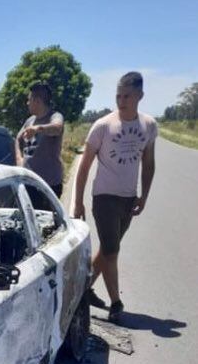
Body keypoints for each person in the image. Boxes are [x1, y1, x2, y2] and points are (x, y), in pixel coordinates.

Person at [74, 71, 157, 322]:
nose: (121, 101)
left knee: (109, 249)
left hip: (128, 199)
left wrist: (144, 196)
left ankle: (82, 289)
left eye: (127, 96)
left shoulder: (149, 125)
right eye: (118, 95)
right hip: (104, 197)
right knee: (112, 251)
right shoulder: (103, 126)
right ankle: (116, 303)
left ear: (140, 96)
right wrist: (78, 201)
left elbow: (149, 163)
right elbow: (84, 165)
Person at [15, 82, 65, 197]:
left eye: (29, 100)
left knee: (46, 215)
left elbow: (57, 128)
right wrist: (19, 159)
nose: (27, 103)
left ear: (37, 101)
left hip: (49, 184)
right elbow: (18, 139)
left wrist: (38, 129)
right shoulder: (30, 120)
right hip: (29, 182)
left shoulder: (55, 116)